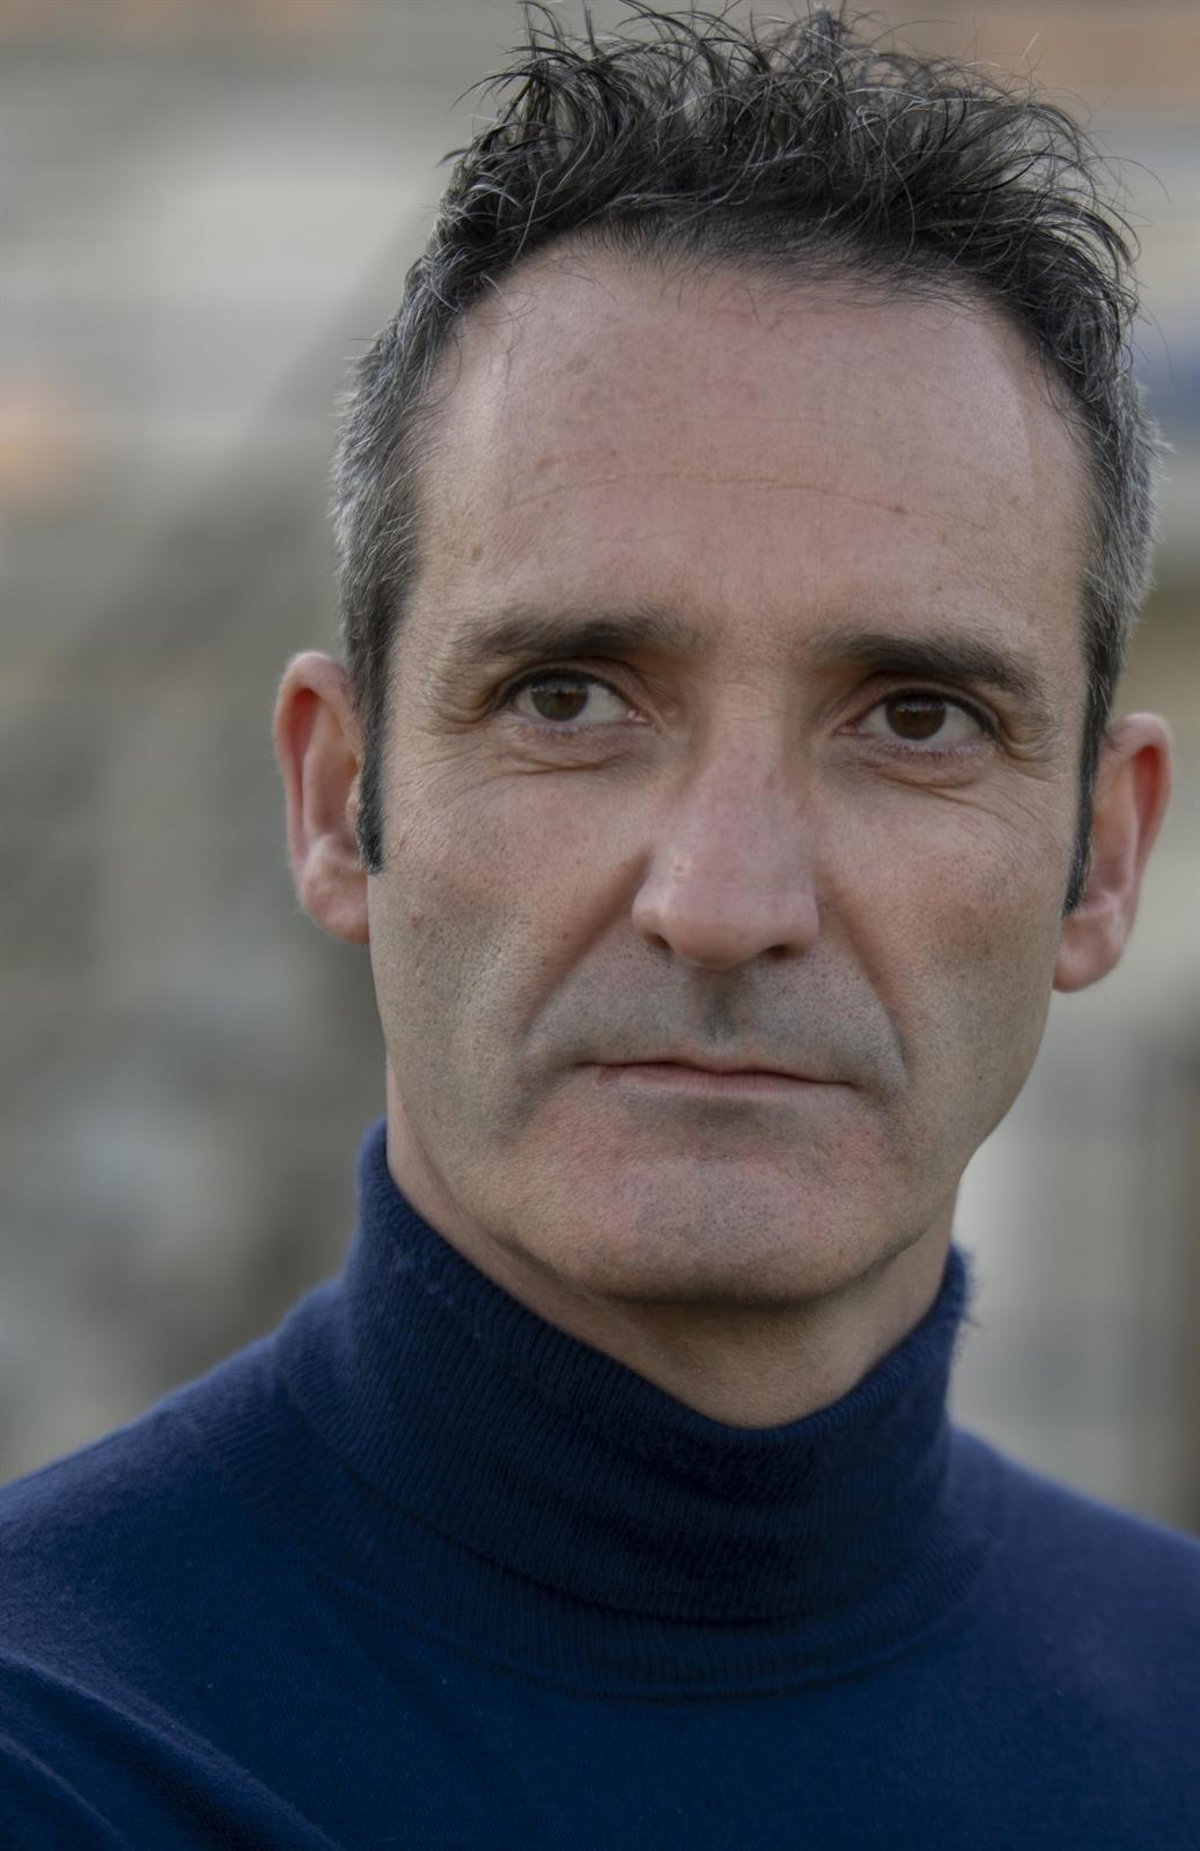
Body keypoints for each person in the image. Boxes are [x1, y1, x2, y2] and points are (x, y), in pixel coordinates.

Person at [1, 4, 1195, 1845]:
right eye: (567, 698)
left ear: (1103, 860)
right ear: (336, 800)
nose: (723, 904)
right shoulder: (64, 1748)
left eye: (916, 717)